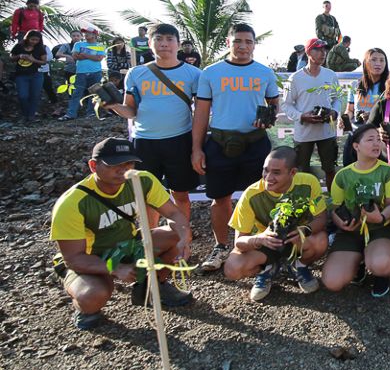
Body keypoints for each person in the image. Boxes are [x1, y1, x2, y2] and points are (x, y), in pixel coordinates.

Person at [49, 138, 192, 330]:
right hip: (91, 257)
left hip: (128, 244)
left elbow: (174, 213)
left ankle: (152, 286)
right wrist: (116, 269)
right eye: (114, 164)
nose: (123, 169)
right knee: (92, 296)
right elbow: (74, 258)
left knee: (174, 235)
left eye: (129, 163)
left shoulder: (142, 180)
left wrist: (185, 237)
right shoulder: (72, 203)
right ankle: (85, 308)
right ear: (93, 166)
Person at [191, 23, 280, 272]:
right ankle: (221, 247)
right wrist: (196, 149)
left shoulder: (264, 73)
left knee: (263, 196)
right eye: (237, 41)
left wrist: (269, 115)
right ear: (229, 43)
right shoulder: (210, 73)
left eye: (248, 42)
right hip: (220, 143)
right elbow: (201, 114)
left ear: (254, 44)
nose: (243, 46)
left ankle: (263, 247)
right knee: (220, 199)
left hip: (255, 143)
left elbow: (274, 103)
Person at [101, 24, 202, 233]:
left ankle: (181, 241)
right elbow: (131, 110)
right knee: (147, 196)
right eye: (158, 39)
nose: (164, 43)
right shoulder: (136, 73)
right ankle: (152, 241)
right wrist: (112, 106)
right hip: (144, 143)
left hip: (179, 141)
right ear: (150, 43)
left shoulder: (194, 74)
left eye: (169, 39)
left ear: (178, 44)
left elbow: (201, 111)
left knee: (181, 194)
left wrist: (196, 147)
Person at [223, 147, 328, 301]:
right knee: (232, 268)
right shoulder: (251, 194)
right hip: (265, 245)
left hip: (296, 241)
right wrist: (260, 239)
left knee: (320, 241)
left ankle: (299, 265)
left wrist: (304, 230)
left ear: (292, 172)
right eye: (266, 170)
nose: (268, 177)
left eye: (276, 172)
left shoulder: (308, 182)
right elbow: (239, 243)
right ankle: (268, 268)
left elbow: (321, 218)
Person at [322, 124, 390, 298]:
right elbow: (335, 207)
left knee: (381, 264)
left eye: (378, 140)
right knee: (332, 281)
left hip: (382, 228)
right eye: (370, 139)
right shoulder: (342, 175)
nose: (376, 144)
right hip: (352, 231)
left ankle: (381, 274)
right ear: (356, 146)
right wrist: (341, 223)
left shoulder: (388, 171)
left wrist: (380, 218)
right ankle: (358, 263)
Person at [280, 38, 341, 187]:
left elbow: (338, 99)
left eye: (324, 50)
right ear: (308, 52)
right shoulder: (295, 78)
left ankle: (333, 203)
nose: (323, 53)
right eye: (318, 49)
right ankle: (303, 205)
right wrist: (301, 116)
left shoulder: (330, 75)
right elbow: (286, 104)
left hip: (327, 131)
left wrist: (334, 112)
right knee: (301, 172)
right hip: (304, 133)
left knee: (330, 170)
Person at [343, 48, 389, 166]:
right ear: (366, 63)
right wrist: (345, 118)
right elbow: (350, 110)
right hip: (356, 134)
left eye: (382, 60)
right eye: (373, 60)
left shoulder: (389, 87)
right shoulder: (355, 85)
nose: (378, 63)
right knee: (350, 168)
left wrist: (373, 116)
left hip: (378, 137)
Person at [60, 28, 105, 121]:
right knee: (77, 93)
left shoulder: (100, 45)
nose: (86, 35)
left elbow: (99, 58)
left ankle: (91, 113)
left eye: (88, 33)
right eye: (85, 33)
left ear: (94, 35)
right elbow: (75, 56)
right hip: (81, 72)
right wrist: (91, 56)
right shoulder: (78, 44)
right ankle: (71, 114)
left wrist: (85, 55)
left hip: (96, 72)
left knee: (94, 93)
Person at [10, 30, 47, 123]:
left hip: (36, 75)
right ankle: (25, 115)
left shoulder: (40, 48)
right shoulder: (19, 46)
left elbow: (44, 62)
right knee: (23, 96)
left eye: (36, 40)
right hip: (21, 75)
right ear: (27, 38)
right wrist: (19, 56)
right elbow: (11, 57)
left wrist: (33, 60)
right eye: (32, 39)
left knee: (35, 96)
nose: (34, 41)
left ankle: (31, 116)